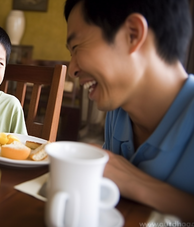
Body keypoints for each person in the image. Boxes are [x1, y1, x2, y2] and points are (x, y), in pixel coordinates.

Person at [64, 0, 194, 221]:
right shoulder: (118, 110)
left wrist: (137, 182)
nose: (71, 70)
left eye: (76, 47)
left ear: (132, 34)